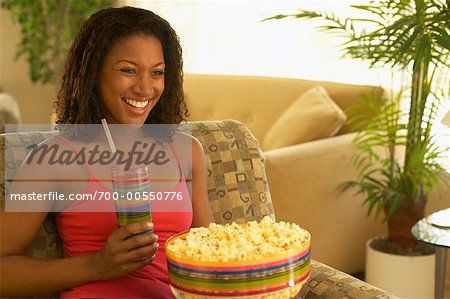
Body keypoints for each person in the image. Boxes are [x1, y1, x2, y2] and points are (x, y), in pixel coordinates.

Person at [0, 6, 212, 298]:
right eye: (128, 70)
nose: (145, 88)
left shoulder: (186, 151)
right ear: (93, 72)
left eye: (157, 73)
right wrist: (97, 265)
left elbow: (211, 255)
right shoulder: (53, 159)